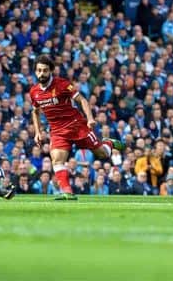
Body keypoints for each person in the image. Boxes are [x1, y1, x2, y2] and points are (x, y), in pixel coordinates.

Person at [29, 54, 122, 200]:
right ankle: (67, 191)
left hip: (76, 126)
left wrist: (90, 119)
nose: (42, 74)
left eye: (45, 70)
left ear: (51, 71)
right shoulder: (34, 92)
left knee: (102, 154)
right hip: (58, 131)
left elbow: (82, 100)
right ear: (35, 71)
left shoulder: (63, 84)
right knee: (57, 160)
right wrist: (37, 132)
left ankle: (109, 143)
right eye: (39, 70)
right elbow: (35, 111)